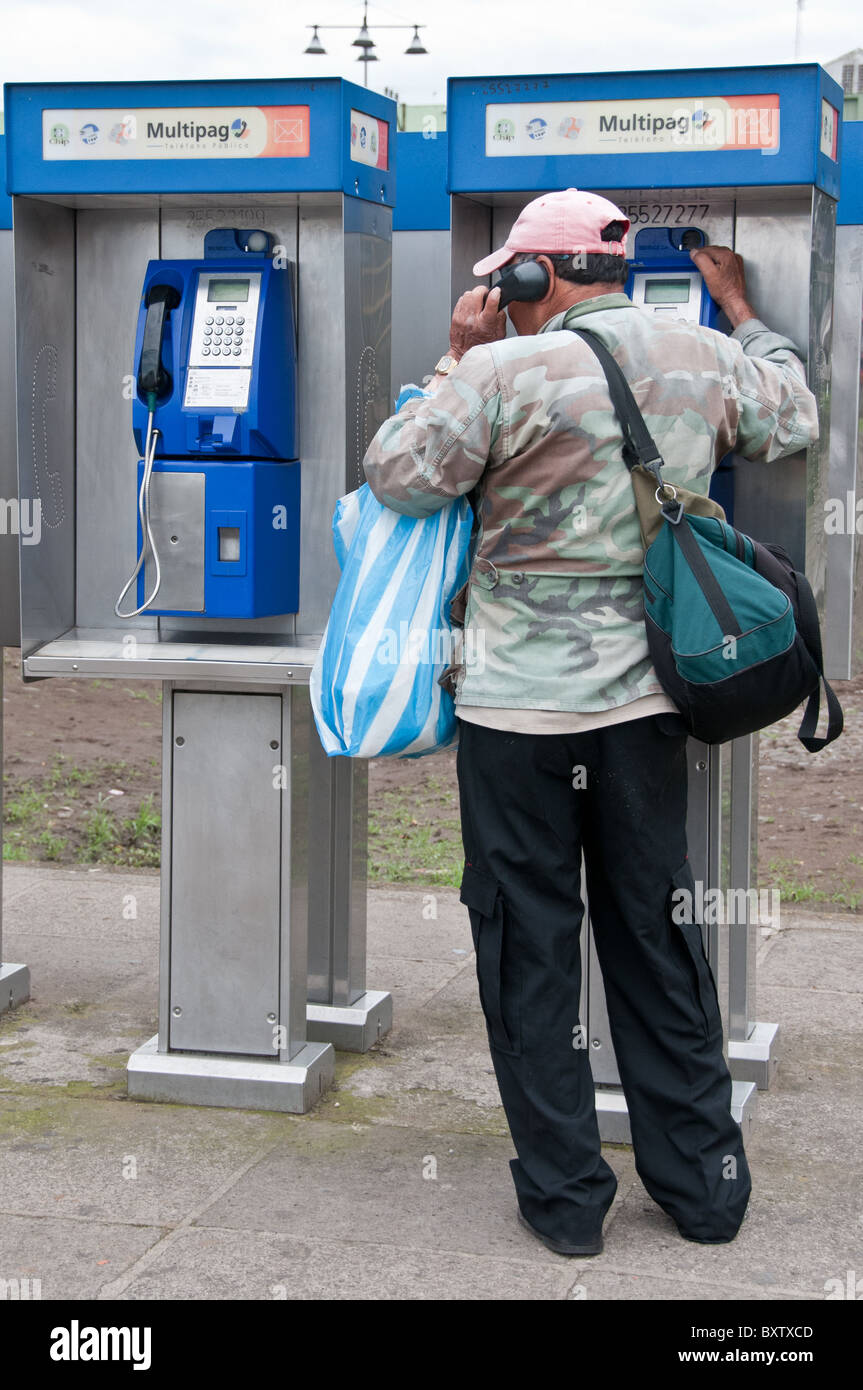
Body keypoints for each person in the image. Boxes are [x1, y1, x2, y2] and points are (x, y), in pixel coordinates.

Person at [361, 188, 819, 1256]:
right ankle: (703, 1187)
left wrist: (448, 351)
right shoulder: (702, 359)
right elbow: (793, 412)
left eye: (504, 280)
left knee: (528, 947)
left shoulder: (496, 372)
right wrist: (743, 313)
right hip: (649, 707)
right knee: (654, 938)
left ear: (533, 275)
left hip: (516, 715)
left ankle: (567, 1203)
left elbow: (399, 476)